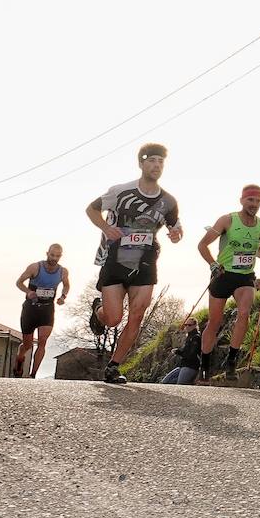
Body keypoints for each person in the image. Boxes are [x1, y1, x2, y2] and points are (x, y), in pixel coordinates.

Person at [85, 142, 183, 384]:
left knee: (137, 315)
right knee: (114, 319)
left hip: (146, 262)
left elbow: (176, 225)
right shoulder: (120, 191)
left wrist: (177, 234)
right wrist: (107, 227)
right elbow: (91, 209)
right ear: (141, 163)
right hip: (116, 261)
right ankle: (99, 311)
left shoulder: (168, 200)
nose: (156, 165)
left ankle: (113, 366)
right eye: (151, 160)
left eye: (161, 161)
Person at [197, 184, 260, 380]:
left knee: (244, 313)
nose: (254, 204)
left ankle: (231, 361)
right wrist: (213, 264)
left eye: (258, 201)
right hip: (223, 275)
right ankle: (205, 363)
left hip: (245, 276)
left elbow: (259, 249)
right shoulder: (228, 220)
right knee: (214, 323)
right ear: (242, 200)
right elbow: (202, 245)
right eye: (250, 200)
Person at [12, 243, 70, 378]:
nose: (54, 258)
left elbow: (66, 285)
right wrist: (28, 292)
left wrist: (63, 296)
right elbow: (19, 283)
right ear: (47, 253)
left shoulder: (63, 271)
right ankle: (20, 357)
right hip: (30, 309)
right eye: (52, 255)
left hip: (47, 309)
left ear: (60, 257)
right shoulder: (35, 267)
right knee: (27, 345)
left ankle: (33, 374)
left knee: (43, 341)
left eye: (57, 256)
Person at [161, 316, 203, 385]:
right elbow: (186, 352)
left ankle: (192, 385)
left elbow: (192, 354)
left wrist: (180, 352)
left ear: (195, 326)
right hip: (183, 366)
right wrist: (178, 351)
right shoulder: (189, 337)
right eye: (185, 325)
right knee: (165, 381)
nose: (187, 326)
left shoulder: (196, 338)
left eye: (189, 325)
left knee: (180, 384)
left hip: (191, 366)